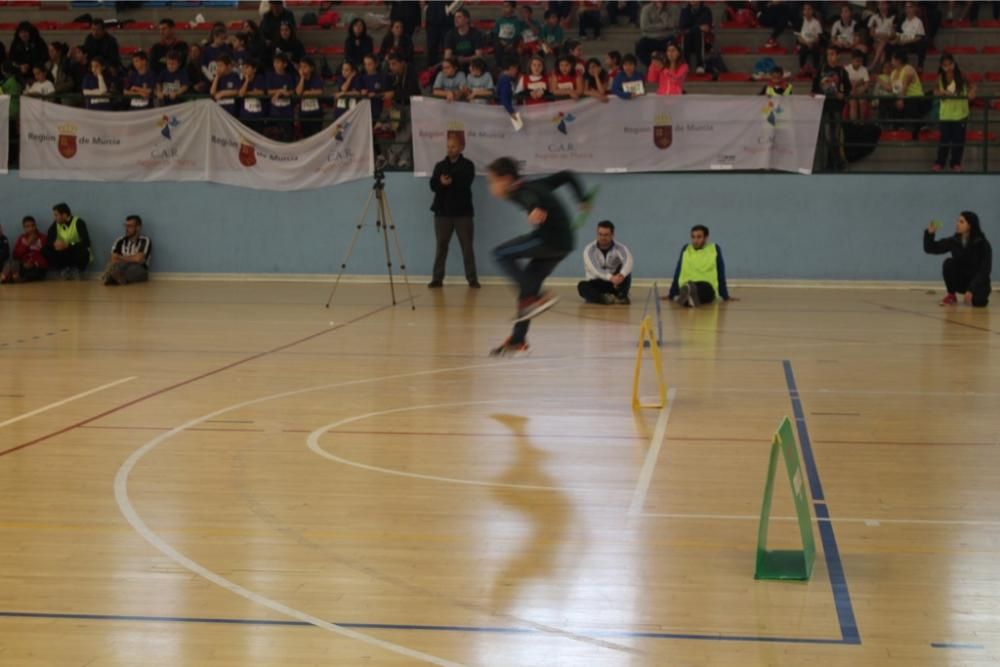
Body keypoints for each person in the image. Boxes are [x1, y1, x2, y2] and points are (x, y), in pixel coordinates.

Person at [487, 158, 591, 357]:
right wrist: (582, 198)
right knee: (528, 286)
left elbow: (529, 198)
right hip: (564, 243)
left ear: (507, 179)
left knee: (499, 254)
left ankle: (539, 297)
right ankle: (518, 340)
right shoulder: (535, 184)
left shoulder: (519, 191)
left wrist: (534, 208)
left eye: (493, 181)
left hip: (549, 240)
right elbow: (567, 175)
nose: (491, 187)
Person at [429, 136, 479, 289]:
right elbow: (433, 185)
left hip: (463, 213)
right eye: (448, 146)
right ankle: (437, 278)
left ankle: (472, 279)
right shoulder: (440, 165)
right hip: (442, 212)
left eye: (453, 147)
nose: (450, 150)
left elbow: (465, 182)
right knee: (441, 246)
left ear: (461, 148)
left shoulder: (468, 165)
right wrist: (441, 183)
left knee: (467, 247)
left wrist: (450, 181)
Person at [925, 212, 991, 307]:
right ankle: (951, 296)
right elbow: (930, 248)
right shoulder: (954, 240)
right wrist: (929, 234)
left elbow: (985, 270)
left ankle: (975, 295)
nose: (957, 224)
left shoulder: (982, 244)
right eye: (957, 221)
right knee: (949, 263)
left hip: (978, 282)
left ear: (970, 225)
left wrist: (971, 289)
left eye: (961, 221)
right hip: (962, 281)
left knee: (979, 303)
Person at [666, 224, 731, 307]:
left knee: (703, 290)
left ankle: (688, 297)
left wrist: (724, 295)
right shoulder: (686, 249)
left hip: (707, 286)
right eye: (693, 237)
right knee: (688, 287)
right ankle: (689, 297)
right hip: (688, 283)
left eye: (699, 237)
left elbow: (720, 272)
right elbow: (678, 271)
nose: (695, 240)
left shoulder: (714, 249)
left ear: (706, 238)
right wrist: (672, 294)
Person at [934, 52, 974, 172]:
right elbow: (935, 90)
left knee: (958, 140)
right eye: (945, 65)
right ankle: (940, 163)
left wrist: (972, 92)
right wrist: (941, 93)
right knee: (944, 140)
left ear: (954, 64)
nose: (948, 67)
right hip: (946, 114)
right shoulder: (940, 77)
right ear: (941, 66)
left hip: (960, 114)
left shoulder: (962, 75)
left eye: (949, 64)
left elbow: (972, 85)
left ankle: (956, 163)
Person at [578, 221, 633, 305]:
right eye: (600, 234)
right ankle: (603, 298)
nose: (603, 237)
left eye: (606, 235)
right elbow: (594, 269)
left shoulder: (620, 248)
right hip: (597, 282)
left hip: (614, 283)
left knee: (626, 271)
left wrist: (621, 275)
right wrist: (610, 277)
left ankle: (621, 297)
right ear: (597, 234)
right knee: (582, 286)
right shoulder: (589, 250)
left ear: (612, 235)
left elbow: (628, 261)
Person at [43, 203, 92, 280]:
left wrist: (68, 245)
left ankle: (77, 269)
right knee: (46, 249)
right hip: (64, 252)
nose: (54, 218)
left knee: (82, 251)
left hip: (76, 251)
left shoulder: (79, 222)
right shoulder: (56, 224)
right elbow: (48, 240)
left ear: (64, 215)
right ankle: (64, 269)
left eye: (56, 215)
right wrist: (54, 244)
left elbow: (86, 242)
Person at [103, 215, 151, 286]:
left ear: (138, 227)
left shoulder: (145, 240)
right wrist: (132, 258)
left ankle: (116, 278)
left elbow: (139, 259)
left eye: (130, 226)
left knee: (135, 270)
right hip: (121, 266)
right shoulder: (120, 241)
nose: (127, 228)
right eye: (126, 226)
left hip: (138, 268)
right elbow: (113, 258)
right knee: (114, 266)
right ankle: (117, 278)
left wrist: (120, 257)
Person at [1, 217, 47, 284]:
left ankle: (16, 278)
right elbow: (15, 255)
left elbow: (46, 255)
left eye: (33, 226)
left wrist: (34, 262)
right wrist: (27, 244)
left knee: (33, 273)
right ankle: (4, 277)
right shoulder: (22, 238)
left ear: (35, 226)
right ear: (24, 228)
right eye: (27, 227)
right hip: (23, 265)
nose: (31, 228)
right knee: (12, 263)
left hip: (37, 266)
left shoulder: (43, 238)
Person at [266, 53, 297, 141]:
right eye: (274, 62)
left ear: (285, 64)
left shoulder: (289, 77)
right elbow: (269, 91)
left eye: (278, 62)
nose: (275, 64)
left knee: (287, 137)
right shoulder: (270, 76)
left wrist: (284, 93)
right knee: (274, 137)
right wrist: (280, 91)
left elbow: (291, 90)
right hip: (274, 113)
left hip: (286, 112)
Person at [636, 1, 674, 67]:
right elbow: (644, 27)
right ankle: (652, 65)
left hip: (666, 38)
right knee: (640, 46)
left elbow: (672, 25)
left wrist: (663, 13)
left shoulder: (670, 8)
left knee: (674, 46)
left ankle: (666, 67)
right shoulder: (646, 9)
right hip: (650, 38)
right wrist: (663, 26)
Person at [679, 1, 713, 74]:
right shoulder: (684, 11)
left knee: (697, 33)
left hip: (703, 42)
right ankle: (686, 65)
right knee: (689, 34)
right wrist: (698, 27)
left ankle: (700, 65)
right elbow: (682, 28)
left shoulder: (706, 10)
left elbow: (706, 27)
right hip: (688, 42)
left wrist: (691, 29)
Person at [295, 57, 324, 138]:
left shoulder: (317, 78)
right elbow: (298, 92)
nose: (302, 69)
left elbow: (319, 92)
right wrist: (302, 78)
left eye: (305, 66)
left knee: (316, 136)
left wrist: (305, 93)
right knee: (306, 136)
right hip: (304, 113)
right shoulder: (299, 79)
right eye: (301, 67)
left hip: (316, 113)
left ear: (311, 68)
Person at [795, 2, 824, 76]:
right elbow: (799, 37)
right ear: (803, 11)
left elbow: (818, 37)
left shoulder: (816, 22)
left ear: (812, 11)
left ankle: (816, 69)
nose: (807, 11)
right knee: (802, 49)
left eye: (809, 9)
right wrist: (806, 43)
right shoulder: (800, 21)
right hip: (803, 42)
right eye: (805, 9)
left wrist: (812, 42)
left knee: (816, 49)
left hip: (813, 42)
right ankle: (802, 68)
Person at [898, 1, 927, 70]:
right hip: (903, 42)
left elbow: (919, 37)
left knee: (922, 43)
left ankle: (920, 66)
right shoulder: (902, 21)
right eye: (906, 7)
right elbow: (898, 33)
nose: (908, 10)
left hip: (913, 43)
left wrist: (907, 41)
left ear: (914, 9)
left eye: (910, 7)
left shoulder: (918, 21)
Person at [868, 0, 897, 71]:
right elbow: (871, 33)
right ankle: (881, 71)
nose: (881, 6)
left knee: (884, 42)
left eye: (883, 4)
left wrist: (881, 35)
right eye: (879, 4)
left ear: (888, 5)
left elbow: (893, 34)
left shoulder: (893, 17)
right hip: (876, 42)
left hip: (888, 41)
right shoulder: (874, 17)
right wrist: (882, 36)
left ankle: (873, 65)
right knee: (882, 53)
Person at [845, 50, 870, 121]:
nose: (859, 63)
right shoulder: (847, 69)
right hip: (850, 92)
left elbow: (866, 85)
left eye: (860, 61)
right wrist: (854, 86)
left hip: (860, 92)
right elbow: (845, 83)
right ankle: (854, 124)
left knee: (862, 102)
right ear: (852, 60)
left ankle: (862, 122)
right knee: (853, 104)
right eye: (857, 61)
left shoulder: (864, 69)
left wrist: (859, 90)